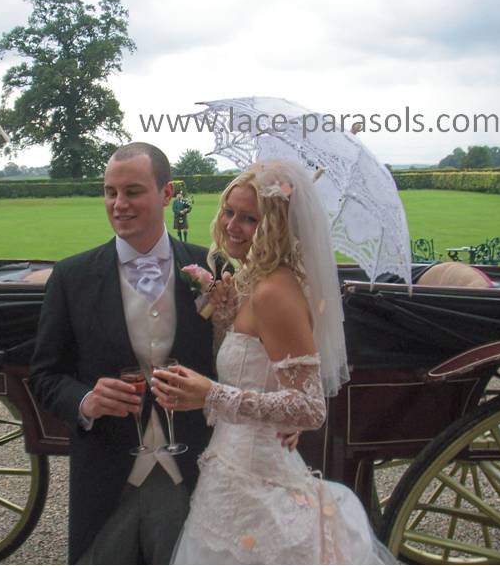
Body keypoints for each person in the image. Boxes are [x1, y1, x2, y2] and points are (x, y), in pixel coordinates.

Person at [152, 160, 395, 564]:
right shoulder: (253, 280)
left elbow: (309, 406)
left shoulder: (273, 292)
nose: (232, 225)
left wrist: (210, 395)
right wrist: (226, 312)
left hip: (256, 481)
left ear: (276, 226)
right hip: (231, 471)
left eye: (250, 218)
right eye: (229, 211)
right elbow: (260, 365)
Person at [29, 142, 216, 564]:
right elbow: (44, 374)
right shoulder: (71, 276)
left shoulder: (212, 269)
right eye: (110, 192)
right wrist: (85, 401)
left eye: (133, 191)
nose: (118, 204)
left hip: (193, 472)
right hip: (108, 473)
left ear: (167, 194)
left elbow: (239, 361)